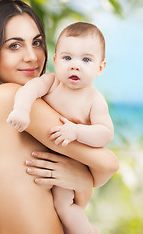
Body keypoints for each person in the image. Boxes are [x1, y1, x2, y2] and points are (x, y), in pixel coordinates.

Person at [0, 0, 119, 234]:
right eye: (14, 46)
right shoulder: (10, 98)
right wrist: (84, 180)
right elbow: (108, 163)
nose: (32, 57)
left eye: (36, 42)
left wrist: (81, 183)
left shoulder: (2, 103)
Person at [7, 22, 114, 233]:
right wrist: (21, 110)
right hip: (43, 159)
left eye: (86, 59)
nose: (75, 65)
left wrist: (76, 131)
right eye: (67, 58)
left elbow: (105, 134)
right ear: (55, 61)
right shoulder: (51, 82)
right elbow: (28, 90)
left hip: (69, 162)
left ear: (100, 68)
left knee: (64, 207)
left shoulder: (94, 100)